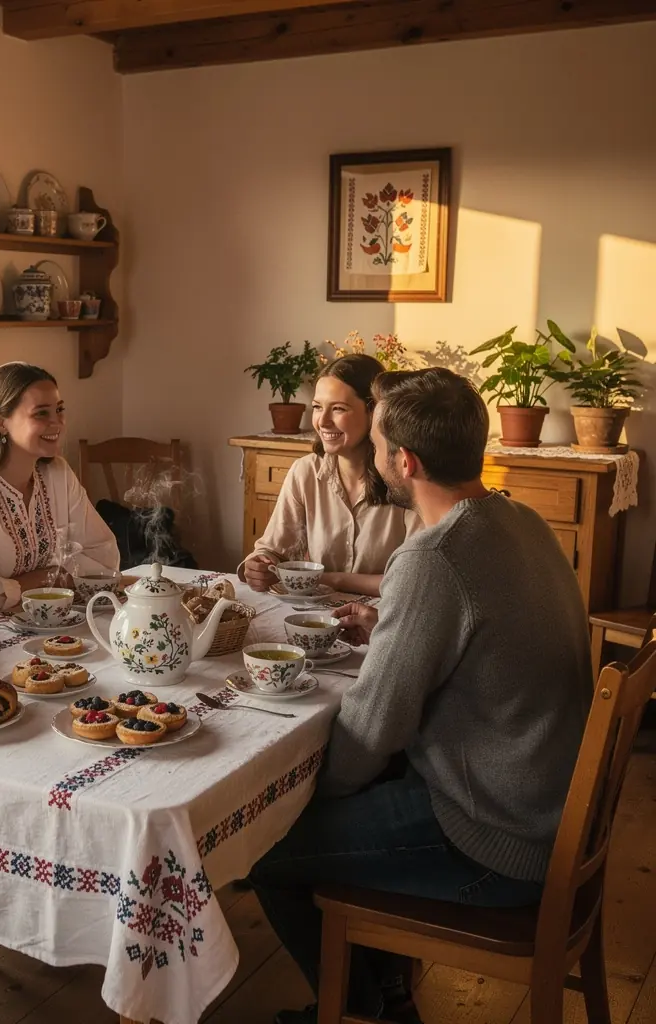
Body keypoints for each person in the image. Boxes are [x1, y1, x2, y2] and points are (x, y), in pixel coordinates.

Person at [250, 367, 592, 1024]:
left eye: (376, 441)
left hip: (495, 839)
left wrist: (292, 796)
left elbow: (371, 732)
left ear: (403, 461)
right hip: (539, 803)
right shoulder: (521, 520)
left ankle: (358, 1009)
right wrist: (394, 628)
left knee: (269, 849)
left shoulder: (434, 556)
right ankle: (387, 993)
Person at [0, 362, 119, 616]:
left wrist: (20, 587)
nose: (57, 423)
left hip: (47, 622)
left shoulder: (57, 474)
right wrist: (50, 576)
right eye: (41, 413)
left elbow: (105, 559)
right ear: (0, 423)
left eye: (59, 410)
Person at [240, 354, 419, 598]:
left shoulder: (404, 477)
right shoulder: (305, 472)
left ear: (374, 413)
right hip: (314, 618)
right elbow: (274, 550)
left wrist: (332, 579)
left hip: (381, 620)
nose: (322, 421)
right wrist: (258, 565)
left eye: (338, 409)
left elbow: (413, 579)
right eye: (317, 407)